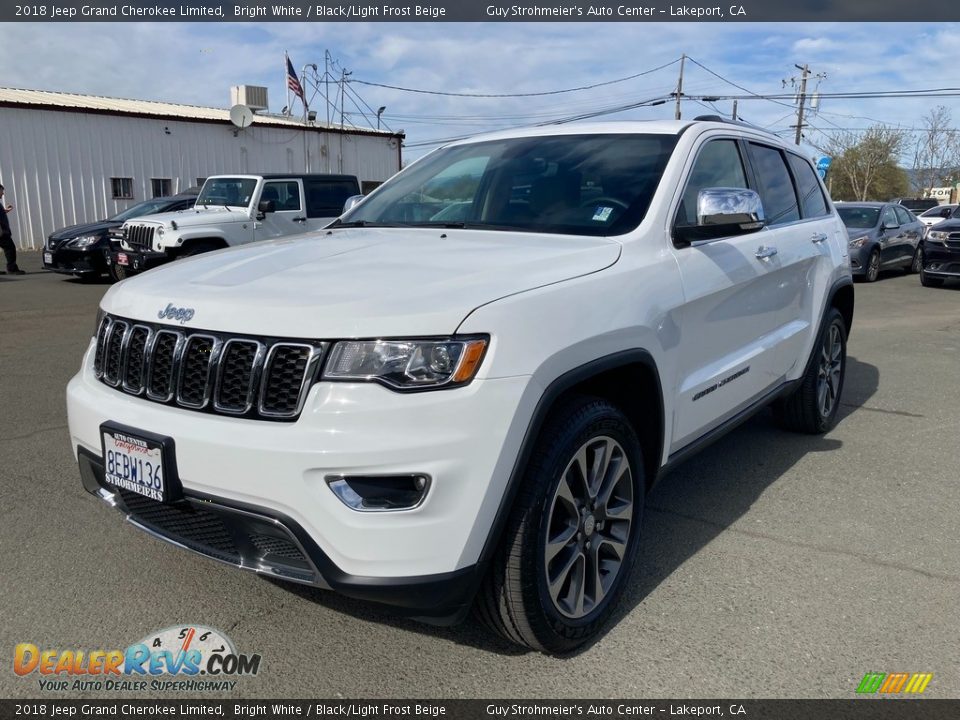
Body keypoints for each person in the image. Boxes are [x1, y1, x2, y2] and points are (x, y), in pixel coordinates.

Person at [0, 183, 25, 275]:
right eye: (1, 191)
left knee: (9, 248)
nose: (2, 194)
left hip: (3, 231)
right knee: (10, 248)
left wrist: (6, 210)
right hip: (2, 232)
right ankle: (12, 269)